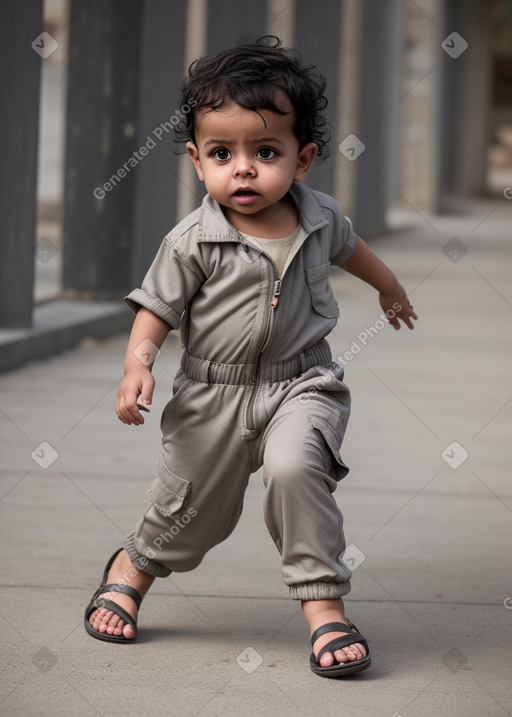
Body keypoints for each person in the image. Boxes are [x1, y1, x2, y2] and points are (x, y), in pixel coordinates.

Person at [84, 36, 417, 678]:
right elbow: (156, 309)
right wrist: (139, 363)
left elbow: (355, 251)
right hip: (212, 392)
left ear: (304, 158)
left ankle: (325, 610)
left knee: (298, 471)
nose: (243, 168)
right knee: (190, 511)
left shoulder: (320, 219)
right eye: (221, 153)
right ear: (195, 159)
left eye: (265, 152)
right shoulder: (193, 239)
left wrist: (390, 288)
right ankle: (133, 568)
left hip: (303, 382)